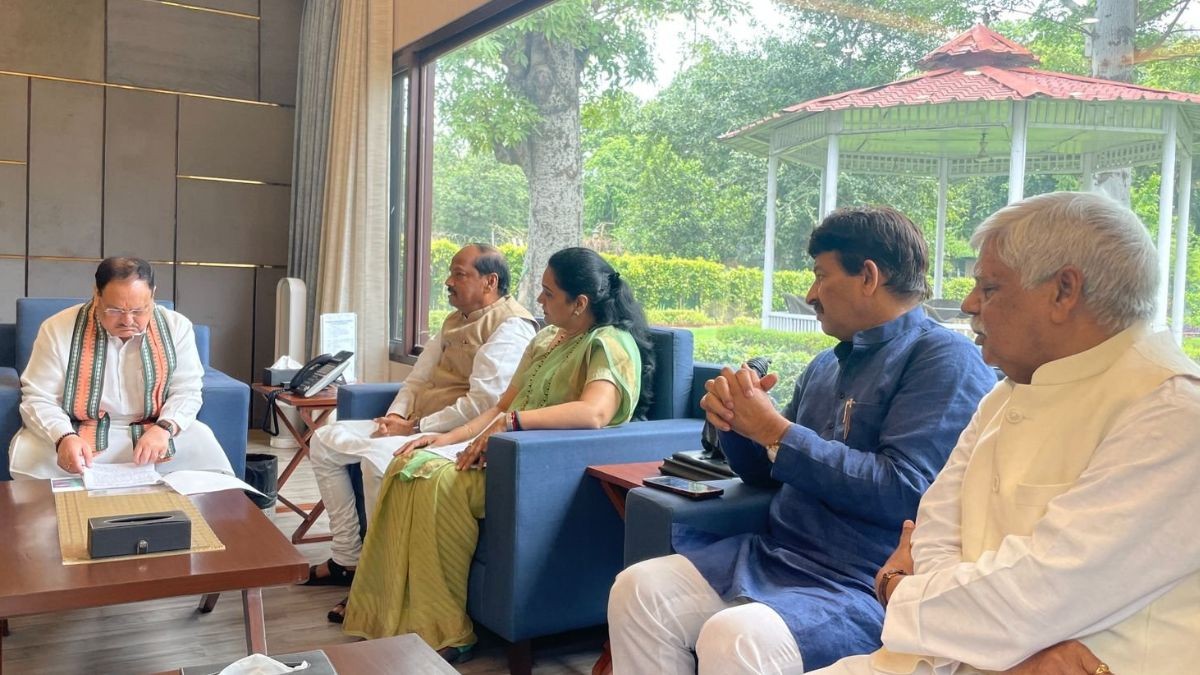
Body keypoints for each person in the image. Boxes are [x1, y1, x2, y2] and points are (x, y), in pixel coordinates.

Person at [810, 191, 1200, 675]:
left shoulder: (1174, 413)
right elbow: (935, 531)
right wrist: (976, 624)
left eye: (990, 288)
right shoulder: (1006, 393)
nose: (969, 304)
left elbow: (1038, 596)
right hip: (934, 659)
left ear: (1064, 291)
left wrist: (898, 589)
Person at [608, 207, 996, 673]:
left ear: (868, 276)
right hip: (777, 556)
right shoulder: (825, 365)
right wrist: (736, 423)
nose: (811, 294)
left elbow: (907, 492)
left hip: (862, 579)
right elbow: (766, 473)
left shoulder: (943, 358)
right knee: (638, 590)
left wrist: (776, 431)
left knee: (736, 637)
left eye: (820, 275)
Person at [341, 247, 655, 662]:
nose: (539, 300)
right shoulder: (545, 339)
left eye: (548, 293)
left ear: (579, 303)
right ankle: (390, 614)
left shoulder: (610, 343)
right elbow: (500, 407)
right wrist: (445, 438)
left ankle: (446, 630)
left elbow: (594, 412)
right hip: (505, 451)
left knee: (436, 482)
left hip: (542, 469)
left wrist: (514, 424)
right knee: (406, 465)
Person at [302, 243, 535, 590]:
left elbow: (482, 405)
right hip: (414, 424)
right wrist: (393, 419)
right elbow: (417, 379)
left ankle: (378, 580)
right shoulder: (454, 320)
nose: (448, 282)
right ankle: (347, 557)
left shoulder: (511, 327)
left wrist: (413, 427)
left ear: (490, 282)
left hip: (458, 437)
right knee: (324, 440)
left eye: (459, 274)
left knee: (378, 459)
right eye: (451, 273)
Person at [9, 257, 233, 478]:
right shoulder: (57, 328)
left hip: (154, 429)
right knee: (31, 451)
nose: (127, 320)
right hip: (80, 430)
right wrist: (63, 437)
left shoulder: (177, 327)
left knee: (201, 441)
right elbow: (39, 397)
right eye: (115, 310)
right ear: (97, 295)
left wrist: (164, 428)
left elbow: (187, 390)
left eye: (139, 310)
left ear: (153, 295)